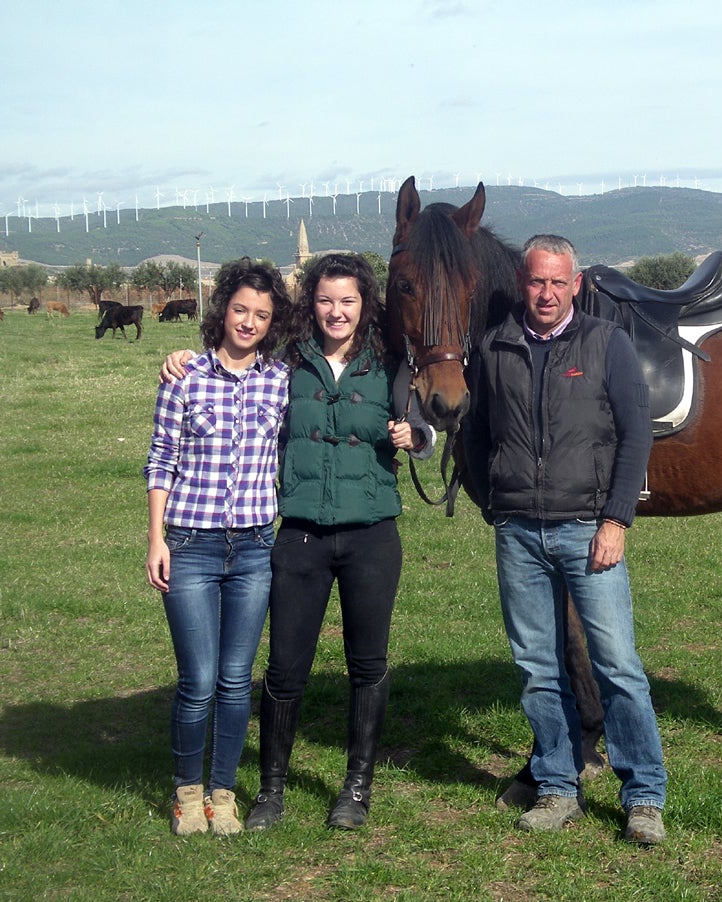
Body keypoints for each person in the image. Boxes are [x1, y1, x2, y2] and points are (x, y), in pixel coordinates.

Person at [161, 252, 435, 832]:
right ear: (311, 303)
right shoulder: (288, 364)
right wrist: (182, 358)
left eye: (348, 300)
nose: (337, 311)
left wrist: (420, 436)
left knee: (368, 664)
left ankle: (356, 788)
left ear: (366, 305)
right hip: (299, 537)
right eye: (325, 300)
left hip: (371, 535)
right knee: (285, 668)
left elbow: (431, 419)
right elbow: (231, 370)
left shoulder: (391, 363)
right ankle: (270, 789)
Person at [462, 234, 668, 844]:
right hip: (519, 532)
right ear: (521, 284)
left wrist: (616, 521)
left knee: (618, 665)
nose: (546, 293)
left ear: (575, 284)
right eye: (536, 282)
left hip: (587, 531)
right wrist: (493, 500)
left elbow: (636, 438)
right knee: (536, 667)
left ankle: (644, 795)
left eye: (558, 282)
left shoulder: (607, 344)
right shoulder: (494, 346)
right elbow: (476, 434)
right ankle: (557, 784)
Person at [145, 258, 292, 836]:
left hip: (255, 548)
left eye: (261, 314)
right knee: (198, 680)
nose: (249, 322)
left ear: (272, 322)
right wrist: (156, 539)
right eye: (240, 310)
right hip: (190, 547)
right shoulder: (184, 378)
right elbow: (161, 460)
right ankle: (187, 792)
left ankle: (224, 792)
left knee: (236, 680)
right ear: (221, 310)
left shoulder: (279, 381)